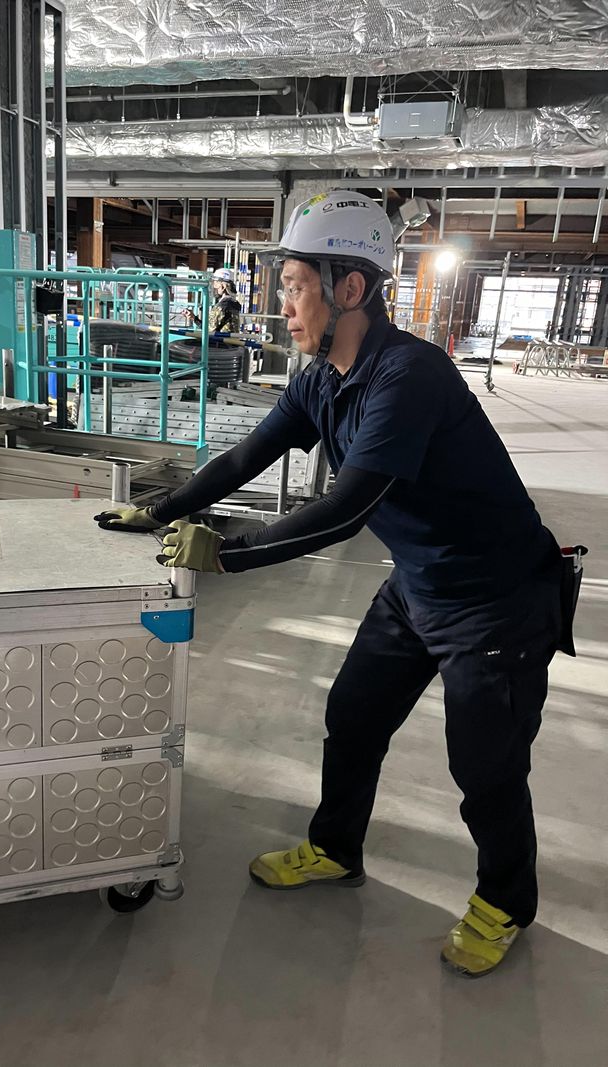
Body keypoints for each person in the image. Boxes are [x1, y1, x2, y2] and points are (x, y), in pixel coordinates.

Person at [94, 190, 568, 978]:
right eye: (281, 287)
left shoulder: (408, 375)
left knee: (485, 765)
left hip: (497, 601)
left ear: (350, 288)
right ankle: (336, 847)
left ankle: (507, 900)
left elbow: (345, 510)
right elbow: (248, 454)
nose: (282, 306)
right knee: (353, 716)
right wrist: (161, 508)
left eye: (294, 287)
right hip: (419, 586)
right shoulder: (321, 378)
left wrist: (227, 554)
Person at [188, 267, 242, 334]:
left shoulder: (222, 306)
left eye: (215, 283)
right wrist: (193, 317)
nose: (214, 286)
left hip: (221, 340)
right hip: (231, 340)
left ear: (223, 286)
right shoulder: (232, 302)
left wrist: (195, 319)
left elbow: (209, 329)